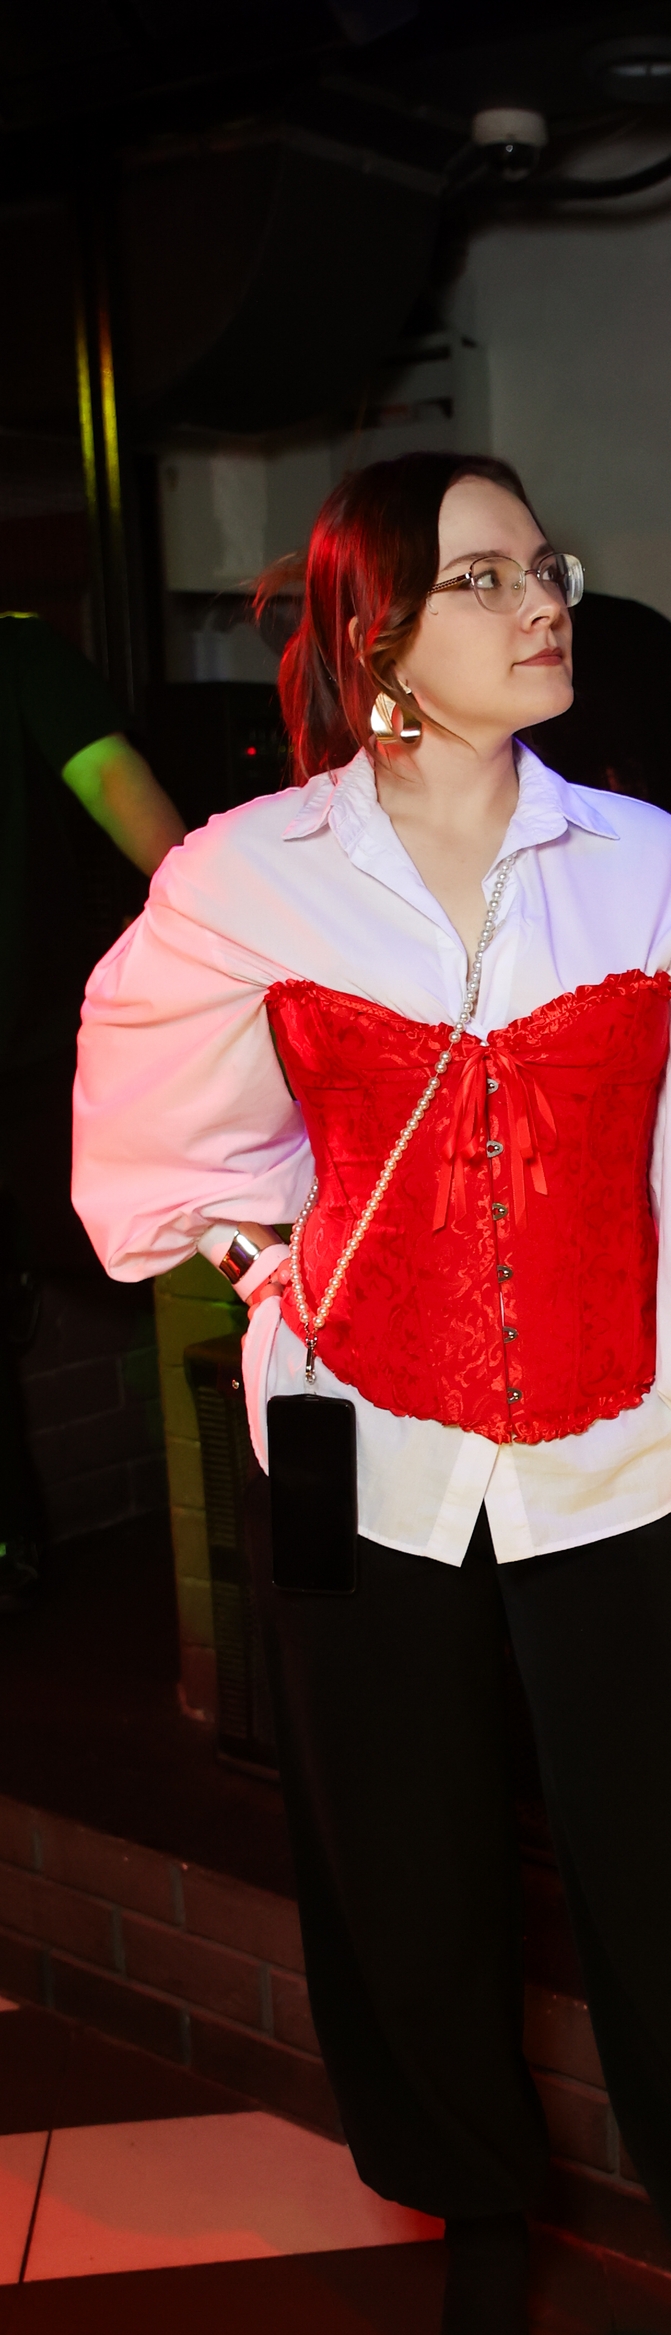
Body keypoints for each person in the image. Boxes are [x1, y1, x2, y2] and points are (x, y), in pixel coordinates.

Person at [72, 451, 671, 2335]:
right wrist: (261, 1256)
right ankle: (480, 2233)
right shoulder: (256, 871)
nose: (544, 599)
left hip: (618, 1461)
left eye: (544, 563)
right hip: (350, 1463)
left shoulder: (647, 869)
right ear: (376, 646)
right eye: (483, 578)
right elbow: (143, 1092)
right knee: (400, 1876)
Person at [0, 612, 183, 1608]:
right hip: (41, 1061)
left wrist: (228, 924)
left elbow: (118, 787)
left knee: (174, 1250)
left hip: (46, 1062)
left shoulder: (19, 652)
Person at [522, 588, 671, 849]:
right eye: (492, 579)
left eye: (548, 572)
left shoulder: (637, 632)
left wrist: (661, 860)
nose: (548, 611)